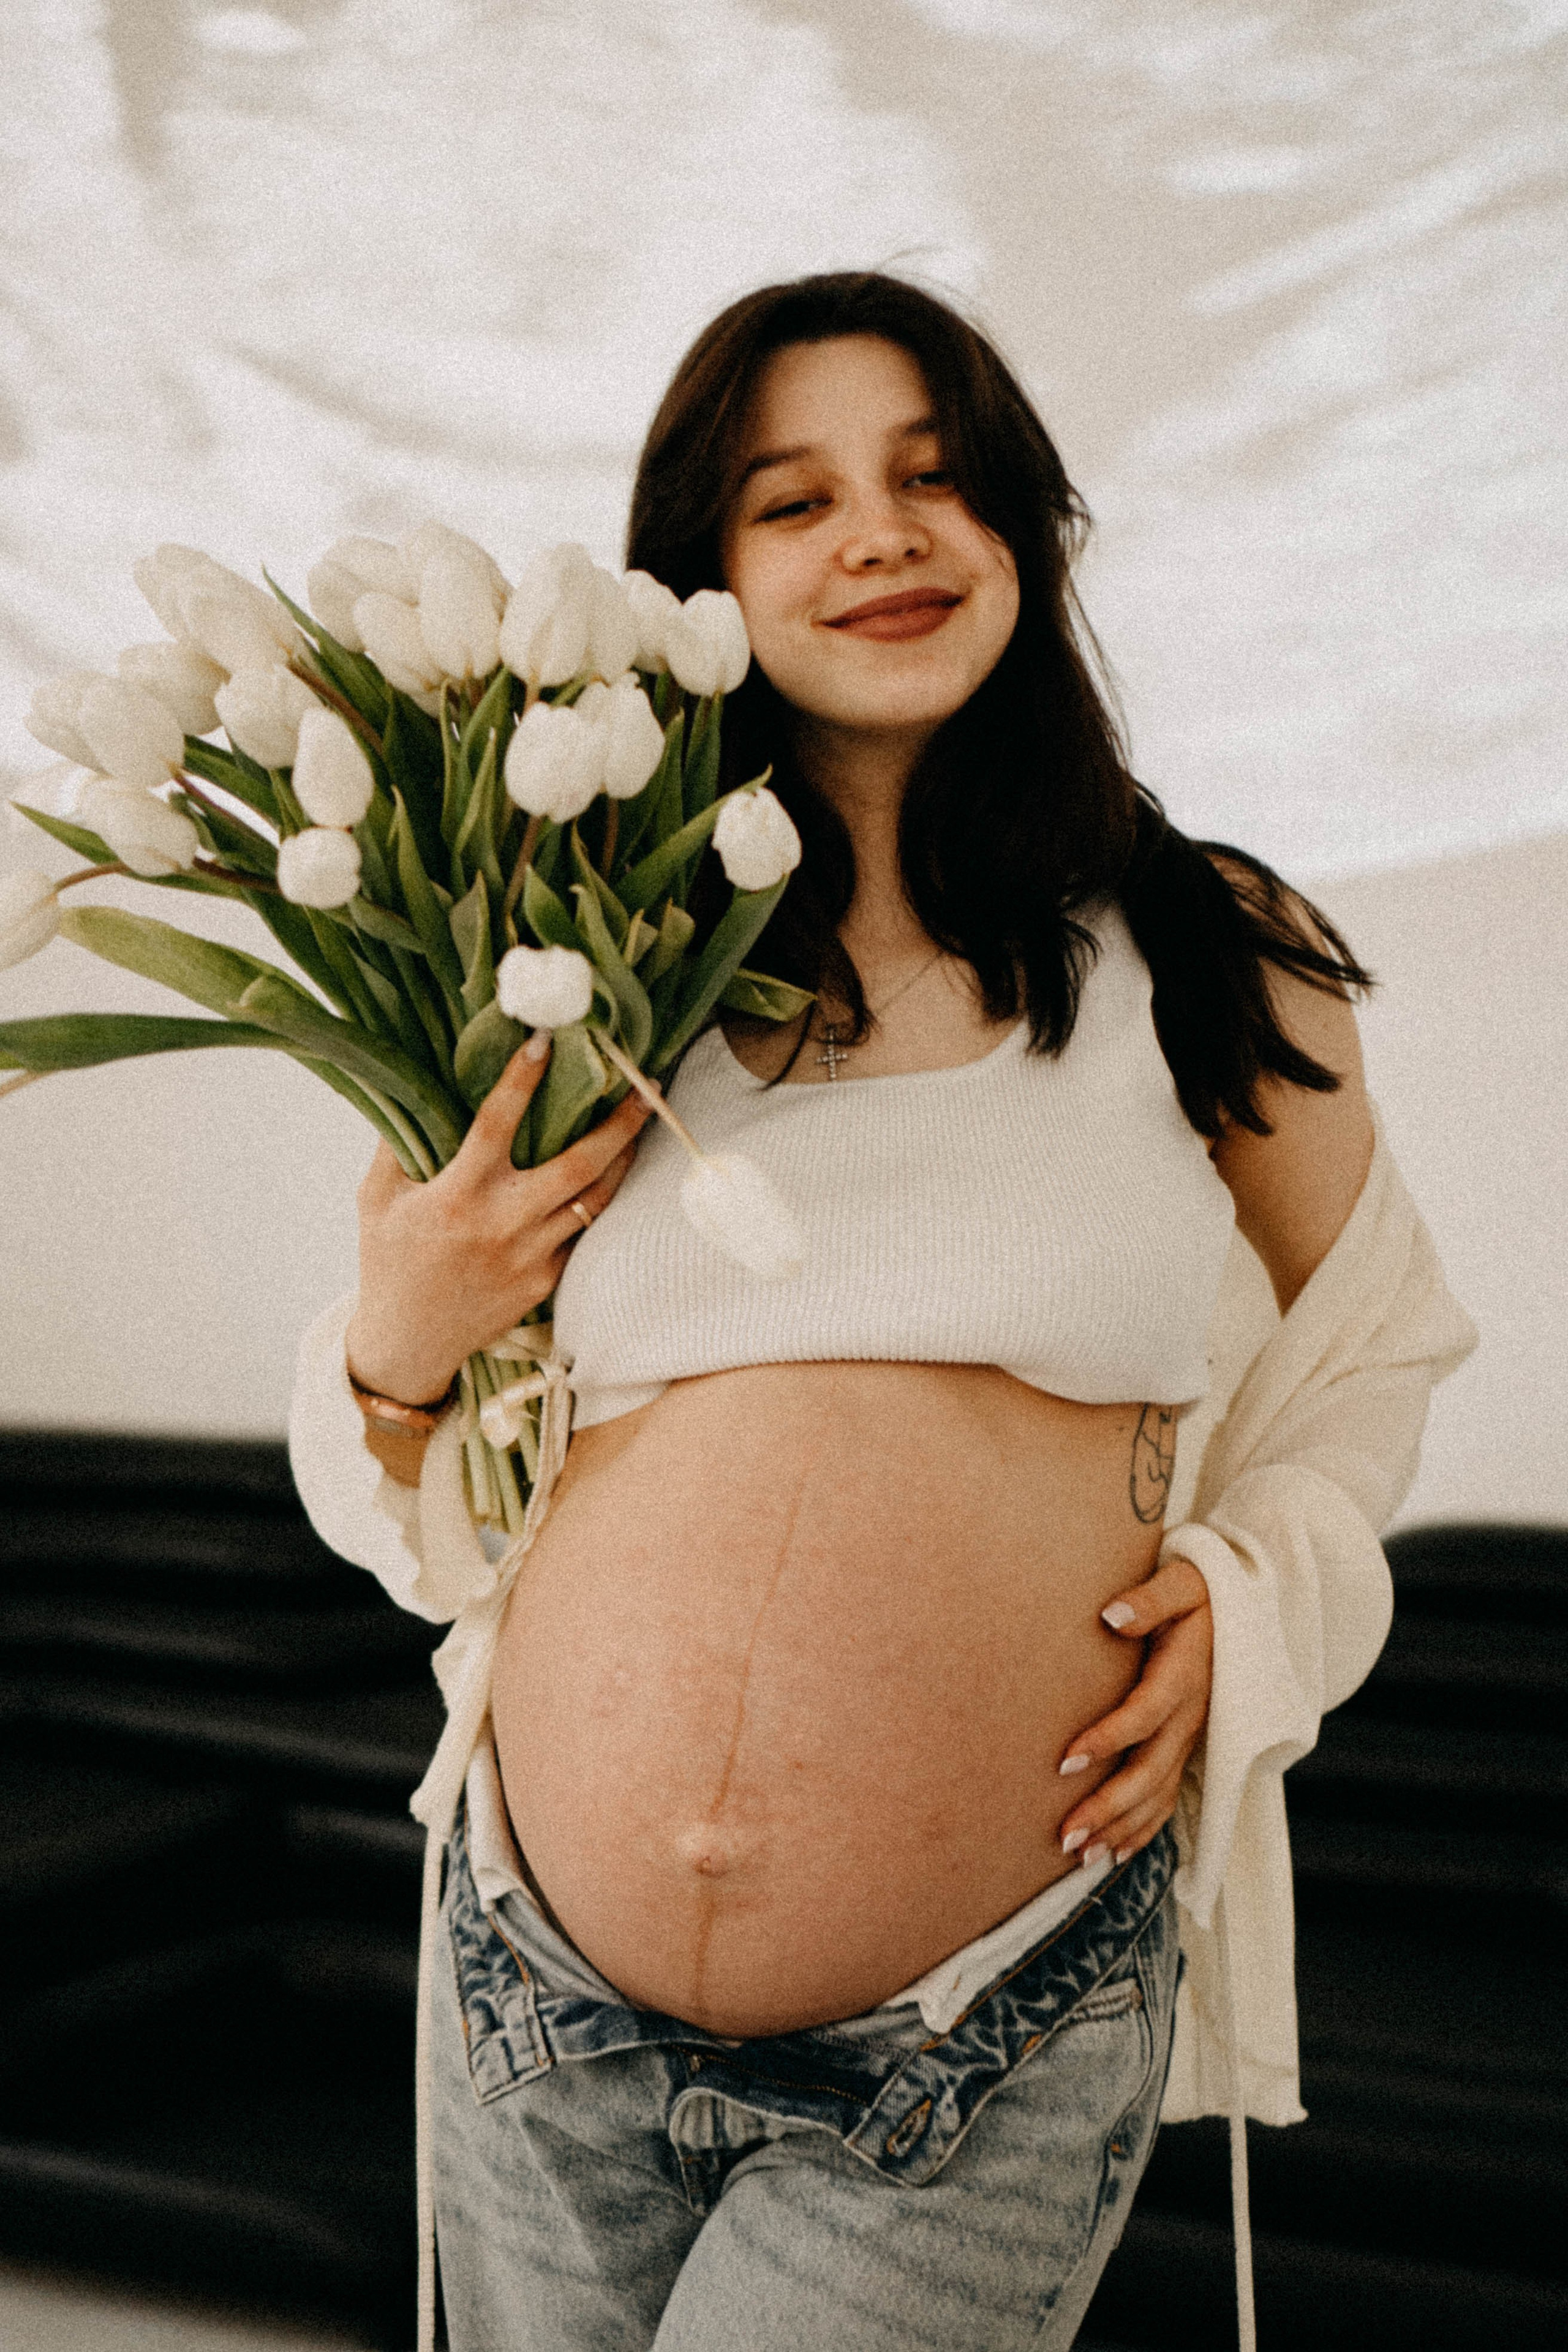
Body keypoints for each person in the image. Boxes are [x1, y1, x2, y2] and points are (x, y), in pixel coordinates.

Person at [288, 272, 1476, 2352]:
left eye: (937, 481)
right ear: (699, 577)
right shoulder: (578, 978)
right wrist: (391, 1334)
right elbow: (397, 1464)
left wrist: (1257, 1573)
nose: (881, 536)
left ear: (1023, 530)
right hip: (528, 1987)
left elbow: (1370, 1361)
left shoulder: (1205, 952)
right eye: (794, 498)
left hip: (975, 2026)